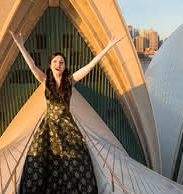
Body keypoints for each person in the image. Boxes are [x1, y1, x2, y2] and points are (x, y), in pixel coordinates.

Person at [9, 30, 123, 194]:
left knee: (77, 161)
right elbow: (32, 66)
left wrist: (108, 47)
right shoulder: (45, 81)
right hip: (48, 128)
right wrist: (20, 45)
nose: (58, 64)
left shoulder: (70, 81)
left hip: (67, 127)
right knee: (39, 160)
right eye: (55, 61)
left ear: (65, 66)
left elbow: (90, 66)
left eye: (62, 62)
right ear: (51, 65)